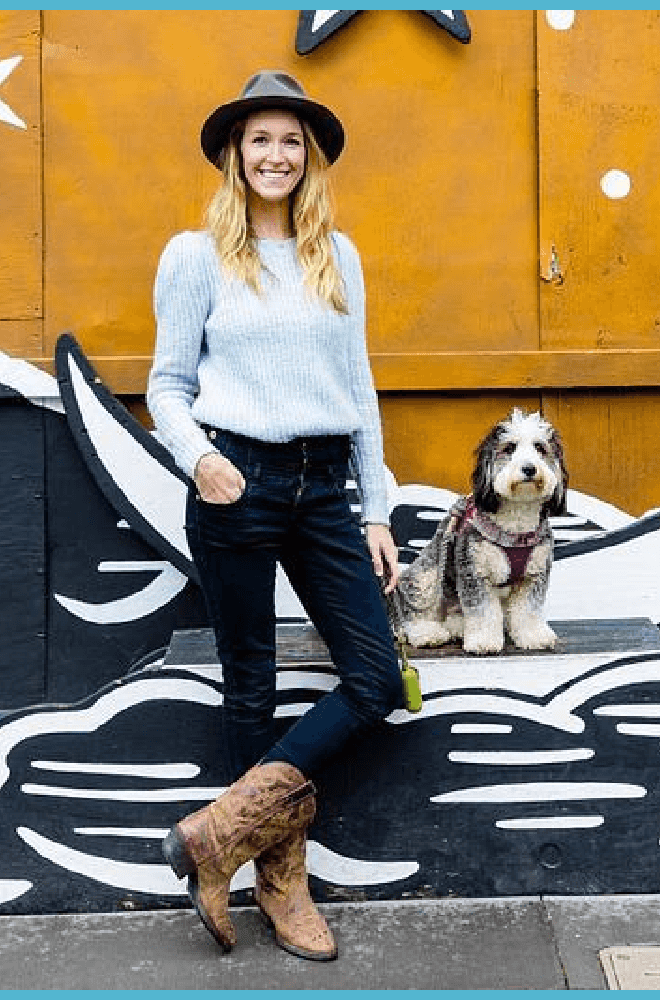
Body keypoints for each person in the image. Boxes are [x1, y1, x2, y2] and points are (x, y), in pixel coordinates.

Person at [145, 70, 404, 963]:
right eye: (260, 139)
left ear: (310, 158)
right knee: (249, 680)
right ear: (234, 154)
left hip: (324, 486)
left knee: (377, 678)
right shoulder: (195, 255)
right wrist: (202, 461)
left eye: (291, 141)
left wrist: (376, 507)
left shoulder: (341, 253)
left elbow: (359, 389)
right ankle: (281, 885)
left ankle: (215, 836)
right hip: (237, 482)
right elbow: (166, 387)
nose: (275, 155)